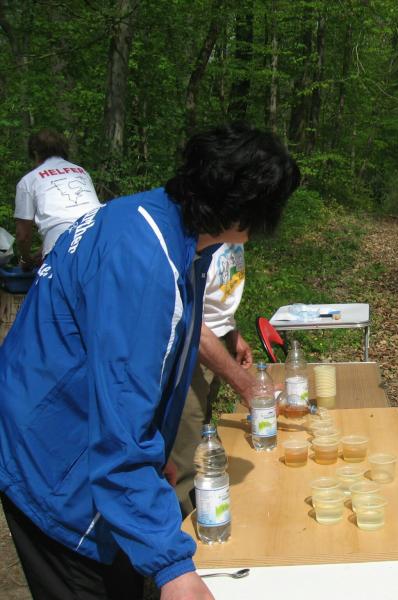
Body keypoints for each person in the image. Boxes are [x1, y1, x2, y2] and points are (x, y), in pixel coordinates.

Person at [0, 123, 300, 600]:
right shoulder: (144, 262)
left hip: (71, 438)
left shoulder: (164, 223)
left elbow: (143, 371)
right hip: (54, 463)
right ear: (244, 211)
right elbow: (120, 437)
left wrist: (153, 453)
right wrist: (172, 566)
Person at [171, 242, 255, 517]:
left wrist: (231, 331)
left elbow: (215, 297)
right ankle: (188, 526)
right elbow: (188, 317)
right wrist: (246, 385)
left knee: (205, 432)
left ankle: (213, 510)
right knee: (187, 449)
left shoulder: (232, 234)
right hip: (192, 349)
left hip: (214, 342)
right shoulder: (196, 240)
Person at [14, 129, 101, 269]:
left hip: (62, 252)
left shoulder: (29, 180)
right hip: (101, 237)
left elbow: (23, 235)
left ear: (35, 153)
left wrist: (25, 260)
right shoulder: (81, 172)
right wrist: (40, 252)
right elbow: (72, 219)